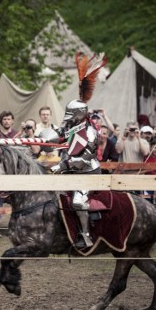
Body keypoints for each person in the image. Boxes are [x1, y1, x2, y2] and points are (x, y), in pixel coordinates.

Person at [49, 52, 107, 250]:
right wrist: (42, 139)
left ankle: (86, 236)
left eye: (71, 114)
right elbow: (58, 136)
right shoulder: (74, 126)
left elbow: (83, 159)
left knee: (78, 201)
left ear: (79, 114)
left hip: (88, 172)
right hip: (72, 170)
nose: (68, 117)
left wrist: (62, 165)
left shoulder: (90, 132)